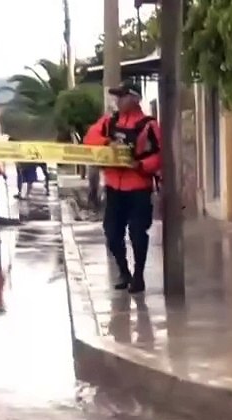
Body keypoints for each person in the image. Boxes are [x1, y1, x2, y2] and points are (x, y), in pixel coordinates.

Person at [82, 82, 162, 293]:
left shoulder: (149, 124)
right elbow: (89, 139)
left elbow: (160, 154)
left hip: (138, 189)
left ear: (134, 99)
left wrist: (141, 165)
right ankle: (123, 271)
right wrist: (108, 143)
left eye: (122, 96)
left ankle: (139, 275)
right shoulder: (110, 122)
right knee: (112, 234)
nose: (118, 101)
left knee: (137, 233)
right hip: (114, 188)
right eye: (117, 97)